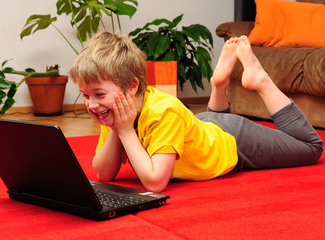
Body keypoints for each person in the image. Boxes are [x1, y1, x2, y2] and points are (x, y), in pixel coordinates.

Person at [68, 32, 323, 193]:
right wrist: (116, 128)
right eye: (86, 95)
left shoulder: (163, 112)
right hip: (200, 128)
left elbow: (156, 183)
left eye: (99, 94)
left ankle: (260, 80)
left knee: (311, 147)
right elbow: (103, 173)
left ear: (132, 86)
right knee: (204, 129)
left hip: (234, 139)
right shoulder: (114, 109)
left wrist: (124, 129)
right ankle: (219, 85)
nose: (91, 105)